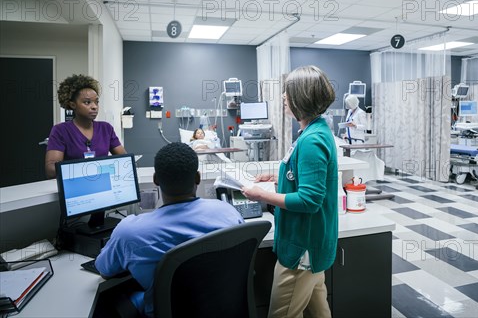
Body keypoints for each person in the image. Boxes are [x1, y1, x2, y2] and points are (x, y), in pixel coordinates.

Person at [95, 142, 244, 318]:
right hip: (223, 309)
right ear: (197, 178)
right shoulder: (228, 213)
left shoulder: (129, 233)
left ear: (155, 179)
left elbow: (104, 270)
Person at [241, 65, 338, 318]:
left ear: (302, 97)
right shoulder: (313, 131)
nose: (283, 97)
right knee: (319, 311)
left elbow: (309, 200)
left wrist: (260, 194)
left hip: (302, 250)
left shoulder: (312, 140)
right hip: (310, 246)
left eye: (287, 92)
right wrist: (278, 179)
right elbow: (305, 180)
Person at [45, 74, 126, 179]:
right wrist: (90, 169)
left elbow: (124, 160)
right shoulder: (61, 130)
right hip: (76, 187)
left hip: (103, 185)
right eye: (87, 102)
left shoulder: (106, 128)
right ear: (73, 105)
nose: (94, 107)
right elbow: (51, 170)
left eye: (96, 102)